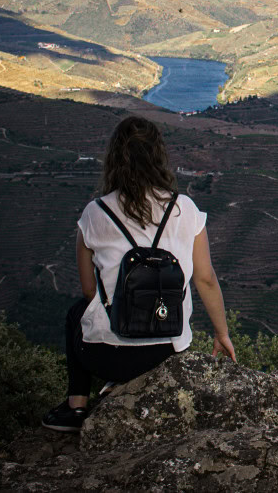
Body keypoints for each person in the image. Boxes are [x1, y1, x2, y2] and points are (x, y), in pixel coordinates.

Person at [43, 116, 235, 432]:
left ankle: (76, 407)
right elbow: (206, 279)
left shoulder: (95, 213)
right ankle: (126, 387)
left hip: (106, 356)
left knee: (75, 313)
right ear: (159, 156)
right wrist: (222, 333)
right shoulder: (184, 208)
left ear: (114, 159)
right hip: (168, 354)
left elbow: (90, 292)